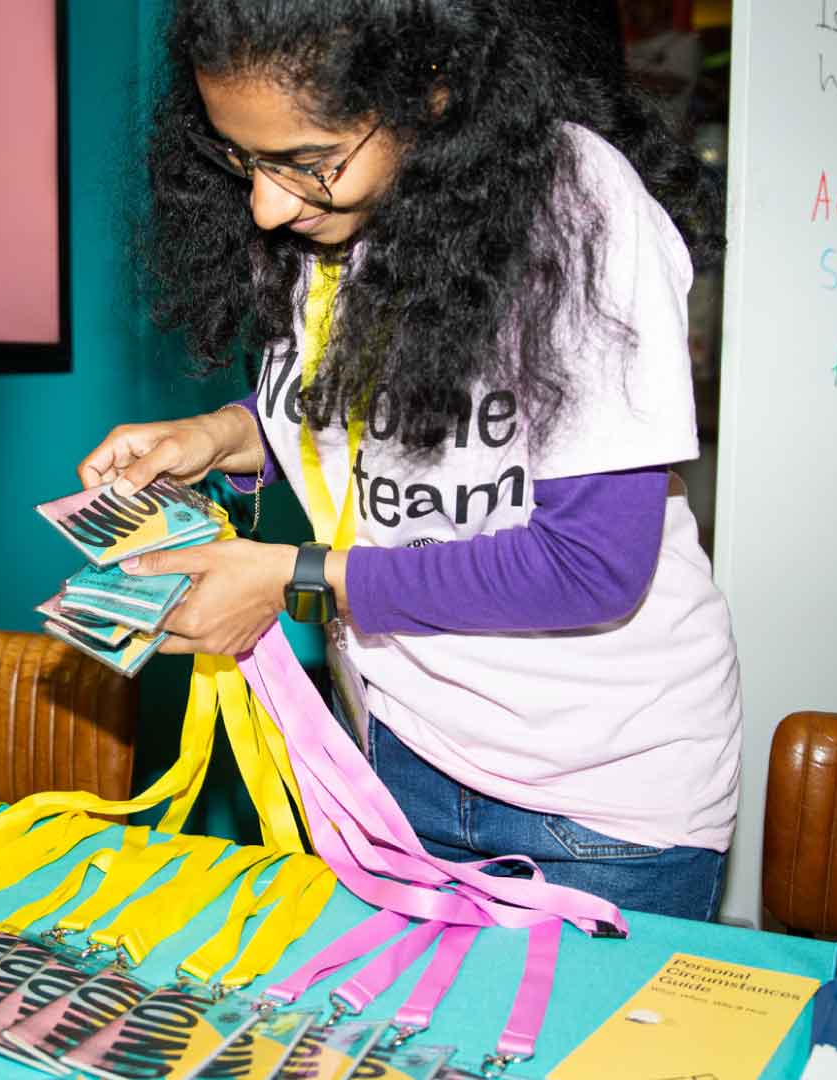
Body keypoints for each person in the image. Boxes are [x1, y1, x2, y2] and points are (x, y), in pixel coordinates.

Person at [78, 0, 740, 920]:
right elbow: (372, 416)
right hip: (394, 760)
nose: (268, 206)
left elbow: (590, 567)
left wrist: (291, 580)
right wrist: (224, 435)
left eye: (308, 164)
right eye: (244, 160)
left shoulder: (576, 208)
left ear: (432, 95)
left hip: (598, 802)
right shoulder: (333, 213)